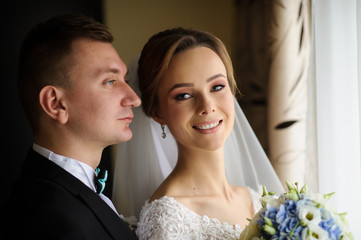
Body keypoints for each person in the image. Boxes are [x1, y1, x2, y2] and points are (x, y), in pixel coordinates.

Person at [112, 28, 284, 239]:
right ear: (157, 112)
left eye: (217, 87)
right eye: (183, 95)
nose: (207, 106)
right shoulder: (167, 220)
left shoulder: (257, 199)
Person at [2, 13, 141, 239]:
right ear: (56, 104)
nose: (134, 99)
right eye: (110, 81)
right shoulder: (48, 220)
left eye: (124, 80)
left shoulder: (62, 196)